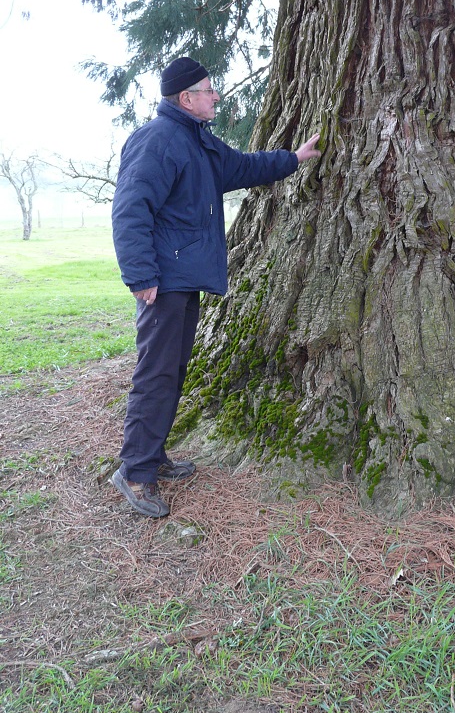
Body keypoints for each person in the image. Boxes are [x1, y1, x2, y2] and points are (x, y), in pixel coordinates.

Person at [110, 56, 321, 517]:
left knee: (175, 368)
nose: (216, 95)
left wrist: (294, 158)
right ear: (187, 98)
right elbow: (130, 209)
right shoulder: (158, 140)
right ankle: (135, 472)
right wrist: (141, 275)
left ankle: (153, 457)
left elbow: (242, 168)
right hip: (163, 282)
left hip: (184, 278)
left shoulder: (196, 141)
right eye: (209, 89)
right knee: (156, 373)